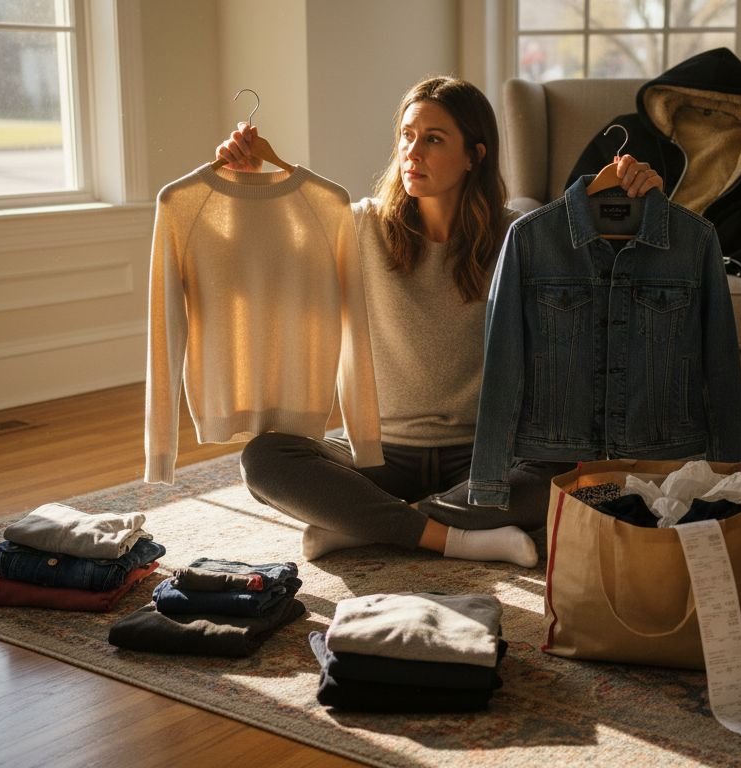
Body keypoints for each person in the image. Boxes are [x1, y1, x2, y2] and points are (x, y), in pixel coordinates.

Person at [216, 76, 663, 568]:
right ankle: (458, 537)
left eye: (432, 139)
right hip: (376, 453)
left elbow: (615, 277)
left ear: (474, 155)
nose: (413, 152)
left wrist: (643, 202)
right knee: (264, 458)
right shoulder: (357, 226)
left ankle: (366, 525)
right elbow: (262, 262)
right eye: (407, 136)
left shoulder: (518, 235)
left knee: (577, 469)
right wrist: (254, 179)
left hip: (484, 455)